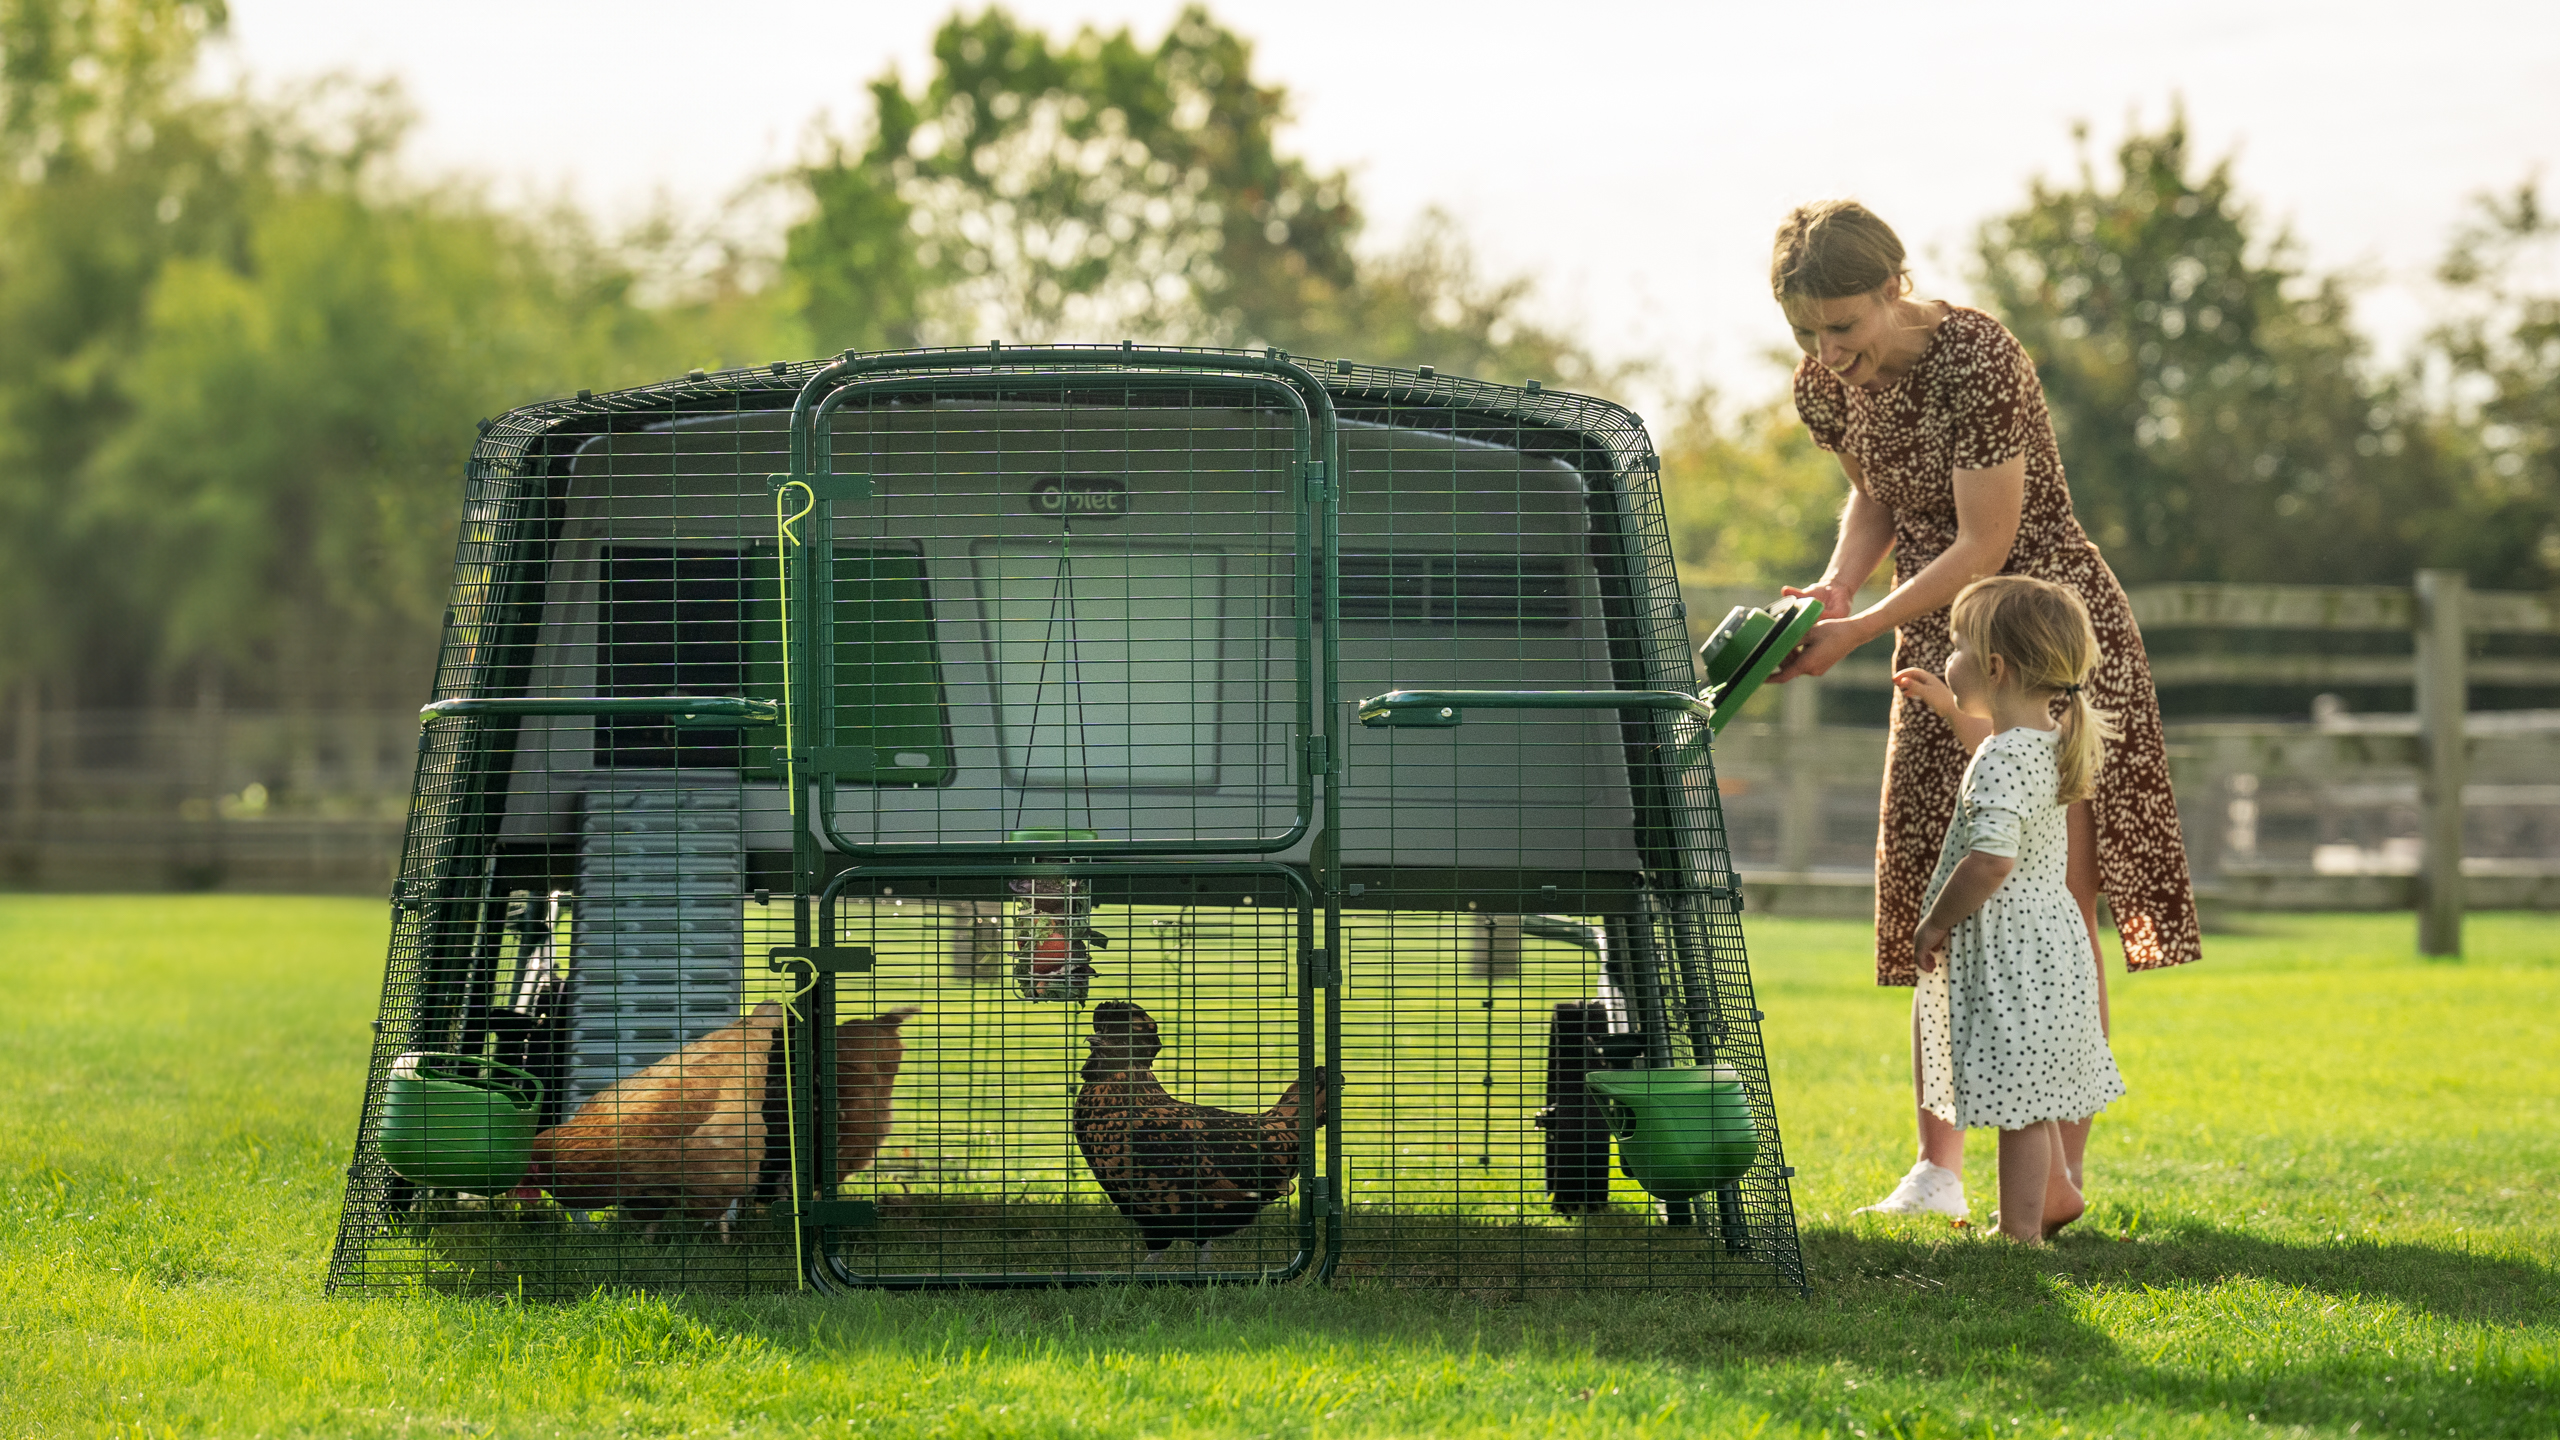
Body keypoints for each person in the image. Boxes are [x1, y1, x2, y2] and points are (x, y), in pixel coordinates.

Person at [1761, 199, 2199, 1222]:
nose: (1828, 354)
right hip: (1945, 643)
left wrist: (1858, 632)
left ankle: (2059, 1175)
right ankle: (1939, 1169)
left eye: (1844, 327)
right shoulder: (1824, 386)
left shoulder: (1975, 359)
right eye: (1806, 332)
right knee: (1936, 888)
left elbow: (1984, 542)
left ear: (1893, 288)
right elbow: (1876, 496)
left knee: (2047, 899)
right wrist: (1834, 591)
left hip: (2040, 635)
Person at [1899, 576, 2126, 1243]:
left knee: (2018, 1102)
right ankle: (2055, 1194)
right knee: (2034, 1081)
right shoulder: (2045, 740)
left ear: (1994, 667)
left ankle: (2020, 1232)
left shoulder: (2003, 757)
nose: (1950, 658)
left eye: (1957, 647)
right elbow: (1997, 765)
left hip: (2010, 950)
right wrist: (1951, 707)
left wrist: (1936, 920)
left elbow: (1990, 861)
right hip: (2050, 943)